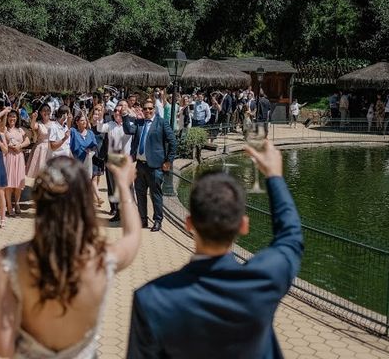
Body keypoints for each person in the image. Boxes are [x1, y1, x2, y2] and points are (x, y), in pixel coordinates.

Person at [127, 140, 303, 358]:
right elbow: (291, 238)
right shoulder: (263, 281)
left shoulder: (151, 299)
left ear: (189, 224)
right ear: (243, 225)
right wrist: (274, 176)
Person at [0, 155, 141, 358]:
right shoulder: (103, 259)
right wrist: (124, 185)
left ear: (39, 201)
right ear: (85, 203)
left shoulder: (8, 260)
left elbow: (4, 347)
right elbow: (133, 235)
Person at [123, 98, 177, 232]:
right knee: (140, 194)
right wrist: (124, 116)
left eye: (150, 109)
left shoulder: (162, 123)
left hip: (156, 166)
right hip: (140, 165)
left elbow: (173, 142)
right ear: (142, 110)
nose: (147, 111)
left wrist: (168, 161)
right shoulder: (139, 123)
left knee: (156, 195)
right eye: (145, 109)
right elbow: (129, 130)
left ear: (154, 109)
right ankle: (143, 220)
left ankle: (158, 220)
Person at [96, 101, 133, 221]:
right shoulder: (110, 124)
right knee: (114, 187)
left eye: (119, 111)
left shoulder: (129, 124)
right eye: (115, 111)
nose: (117, 113)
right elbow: (100, 127)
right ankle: (118, 212)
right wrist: (101, 116)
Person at [4, 110, 30, 217]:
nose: (12, 119)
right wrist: (9, 146)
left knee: (18, 183)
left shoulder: (20, 130)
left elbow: (28, 141)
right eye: (10, 116)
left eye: (14, 117)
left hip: (19, 157)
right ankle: (9, 206)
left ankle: (17, 203)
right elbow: (1, 140)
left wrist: (20, 146)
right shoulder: (4, 129)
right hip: (9, 156)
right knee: (9, 182)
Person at [25, 103, 53, 184]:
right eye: (44, 110)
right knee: (39, 172)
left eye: (48, 110)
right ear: (40, 112)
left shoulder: (54, 123)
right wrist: (33, 118)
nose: (46, 112)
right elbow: (33, 126)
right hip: (40, 149)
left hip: (51, 148)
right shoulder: (39, 123)